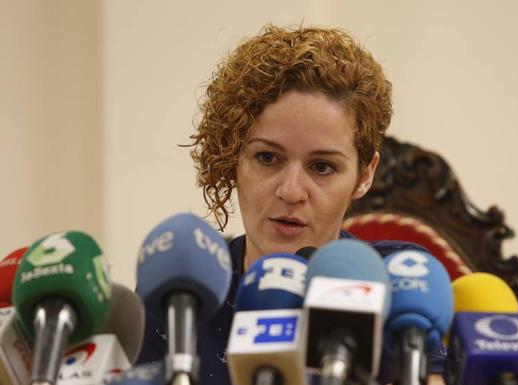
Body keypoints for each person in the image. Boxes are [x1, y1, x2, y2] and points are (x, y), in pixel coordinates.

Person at [137, 24, 444, 385]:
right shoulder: (182, 294)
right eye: (268, 158)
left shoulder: (400, 283)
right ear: (232, 157)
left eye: (322, 167)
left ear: (365, 174)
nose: (291, 191)